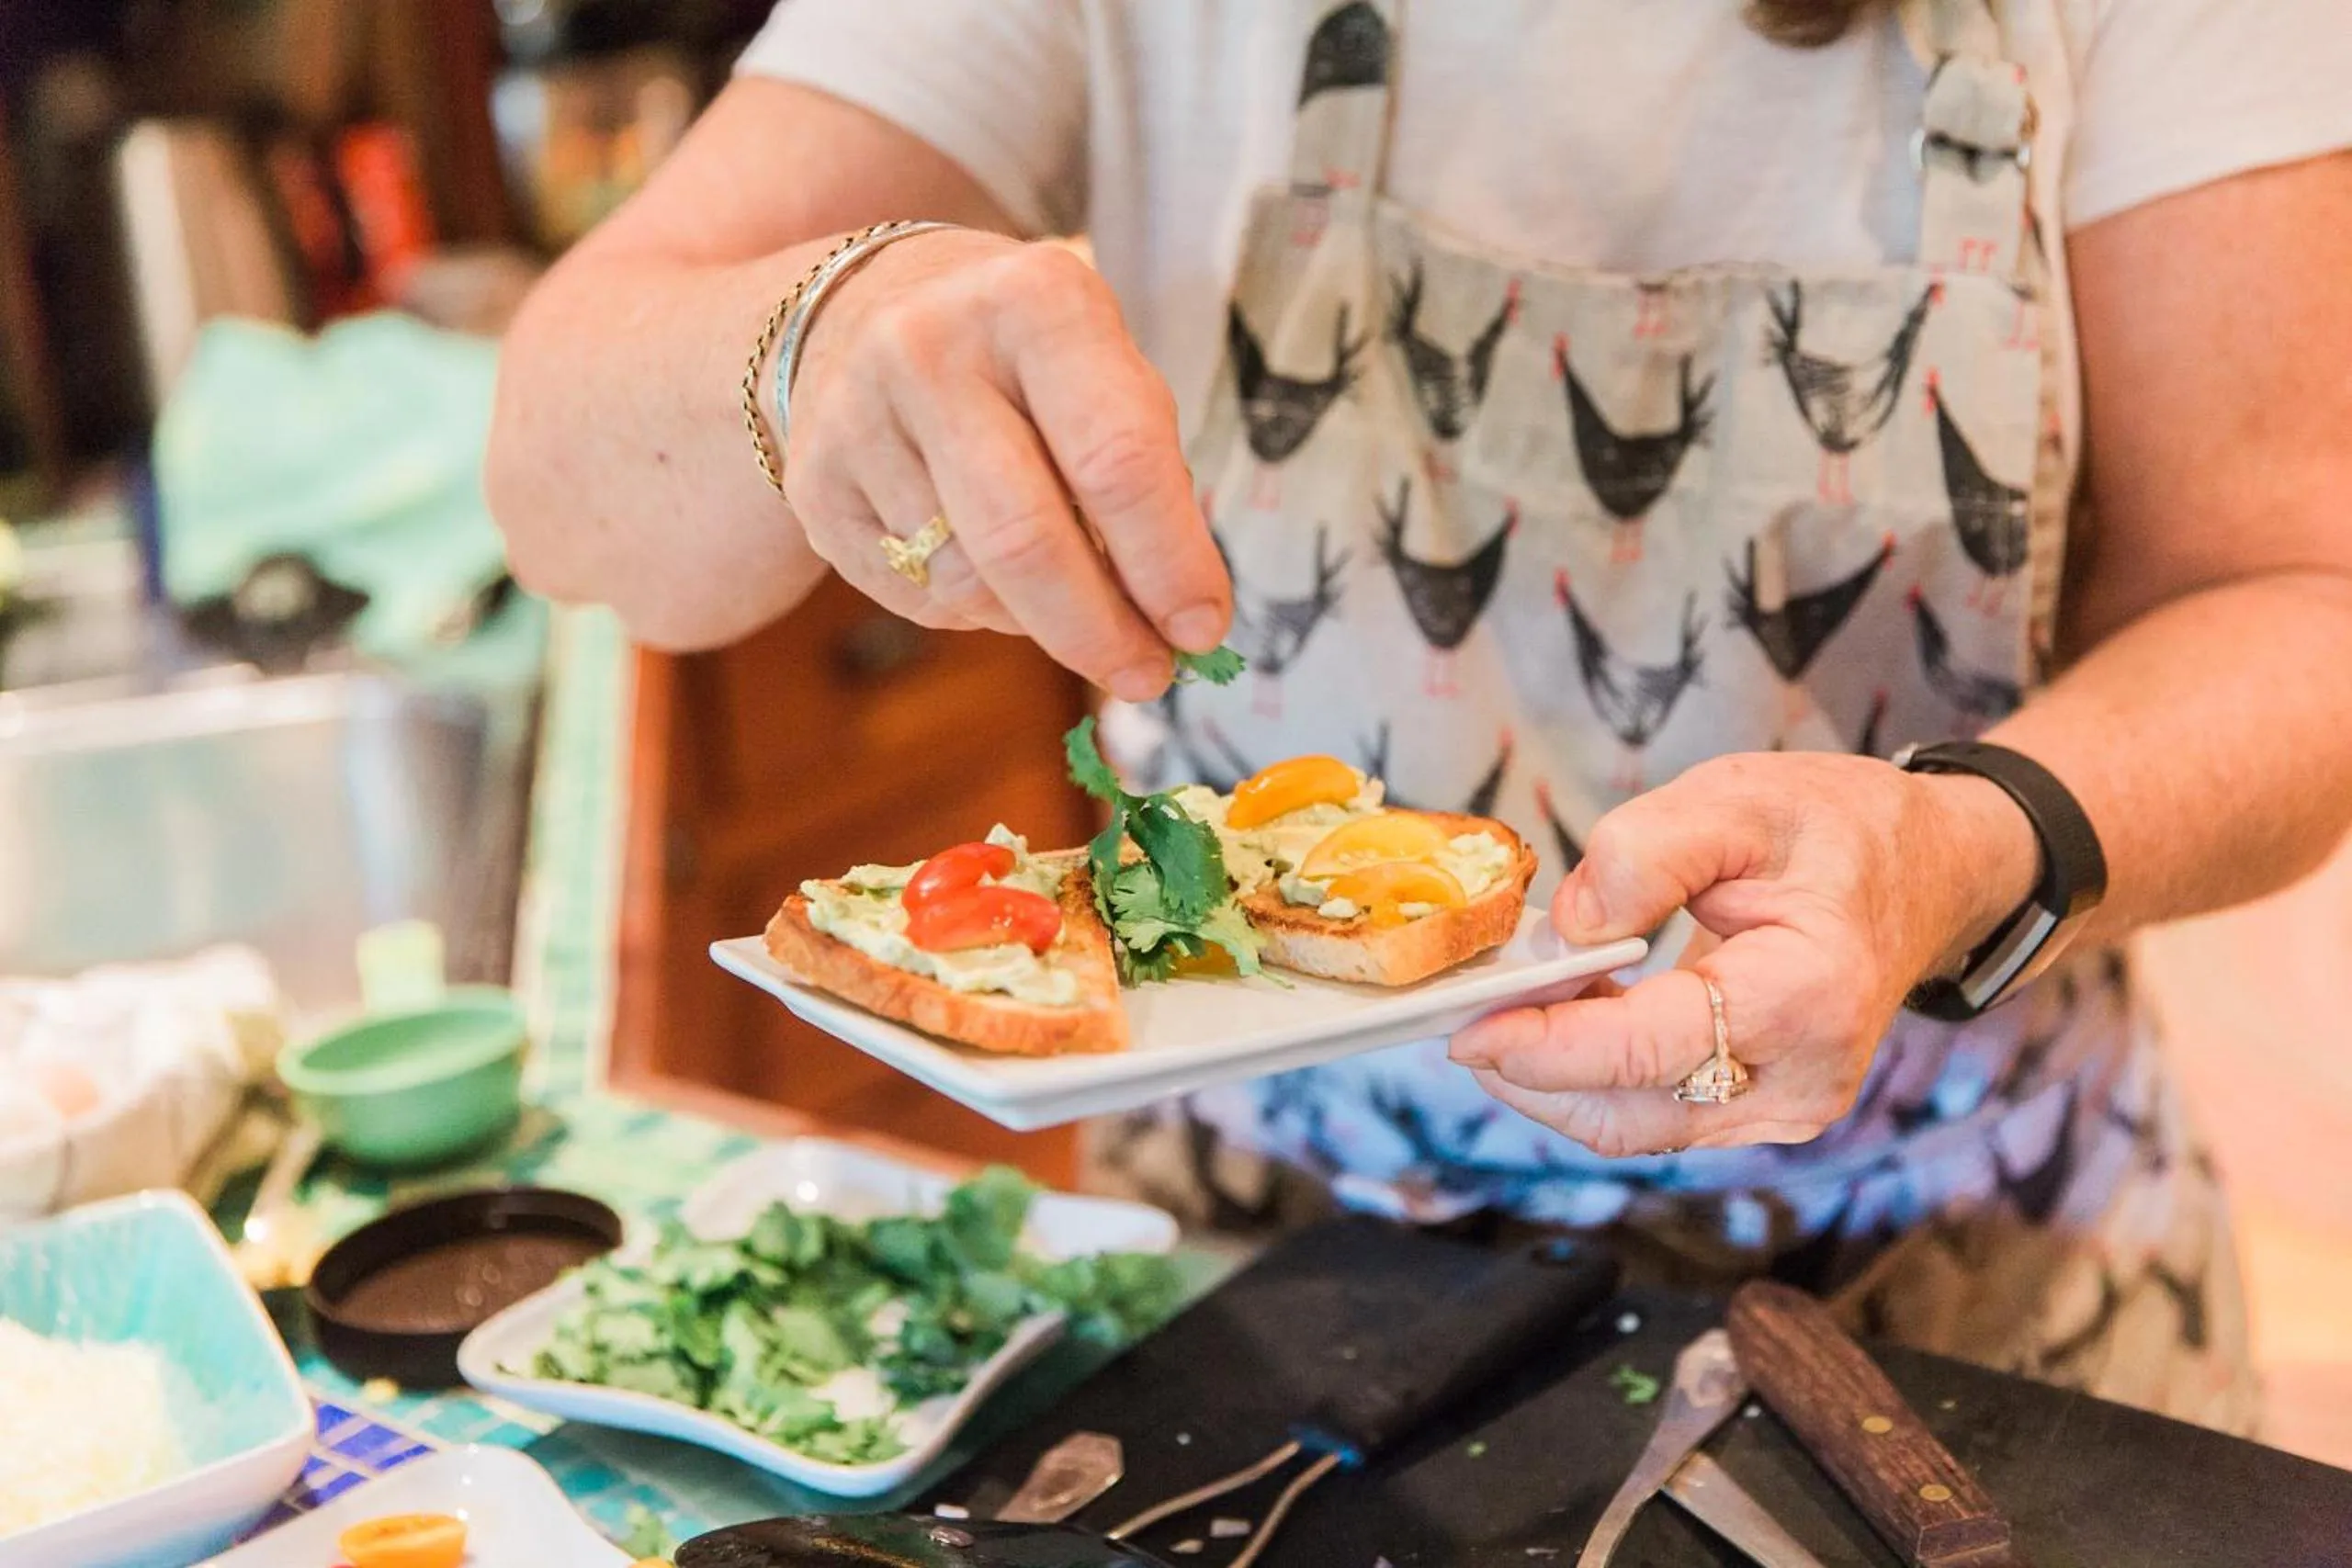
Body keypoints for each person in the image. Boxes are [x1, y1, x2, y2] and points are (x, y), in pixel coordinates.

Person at [486, 0, 2352, 1433]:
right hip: (1272, 1271)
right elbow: (560, 473)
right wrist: (807, 328)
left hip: (1966, 1271)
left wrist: (1957, 844)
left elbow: (2288, 596)